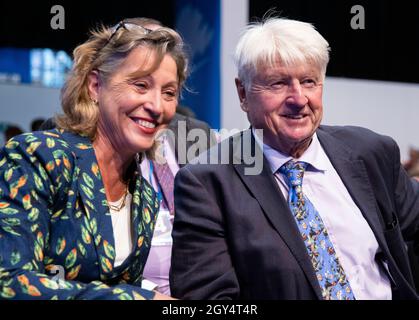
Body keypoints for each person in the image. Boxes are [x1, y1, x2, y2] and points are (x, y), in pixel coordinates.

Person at [170, 17, 419, 300]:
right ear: (243, 93)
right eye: (279, 83)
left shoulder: (370, 152)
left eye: (309, 81)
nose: (299, 99)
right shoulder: (207, 183)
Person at [0, 17, 188, 300]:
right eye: (140, 85)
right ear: (95, 86)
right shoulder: (39, 157)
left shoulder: (144, 197)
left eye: (169, 92)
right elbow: (10, 283)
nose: (156, 106)